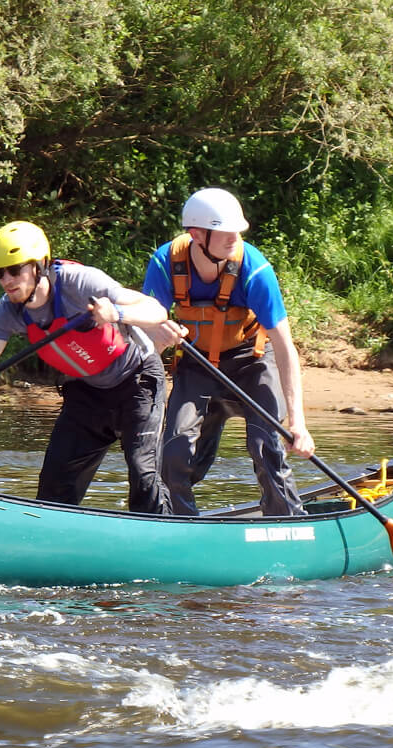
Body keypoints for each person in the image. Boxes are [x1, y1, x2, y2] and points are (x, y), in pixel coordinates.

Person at [0, 221, 172, 513]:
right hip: (87, 393)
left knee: (143, 473)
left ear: (39, 265)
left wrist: (117, 312)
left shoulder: (80, 283)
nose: (7, 280)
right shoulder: (7, 311)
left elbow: (156, 311)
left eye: (15, 270)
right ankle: (49, 541)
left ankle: (158, 535)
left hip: (138, 379)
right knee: (55, 485)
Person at [143, 187, 315, 517]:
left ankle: (286, 521)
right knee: (175, 452)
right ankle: (179, 525)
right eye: (224, 232)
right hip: (196, 364)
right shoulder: (165, 263)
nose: (234, 238)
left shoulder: (254, 269)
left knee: (265, 446)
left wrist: (299, 424)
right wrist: (157, 332)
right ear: (196, 234)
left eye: (237, 230)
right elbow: (145, 330)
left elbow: (284, 346)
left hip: (252, 362)